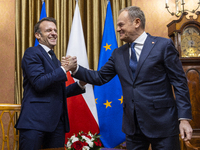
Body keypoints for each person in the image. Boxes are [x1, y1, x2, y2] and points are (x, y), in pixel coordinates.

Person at [63, 6, 193, 150]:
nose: (118, 29)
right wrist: (75, 69)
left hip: (163, 124)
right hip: (133, 127)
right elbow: (100, 77)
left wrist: (184, 119)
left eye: (121, 25)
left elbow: (180, 83)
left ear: (137, 22)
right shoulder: (118, 53)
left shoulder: (163, 46)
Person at [15, 17, 86, 150]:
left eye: (55, 30)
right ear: (38, 35)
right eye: (48, 30)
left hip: (56, 124)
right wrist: (64, 69)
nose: (54, 33)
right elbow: (39, 83)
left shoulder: (54, 59)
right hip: (34, 123)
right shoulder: (32, 53)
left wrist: (81, 84)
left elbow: (58, 92)